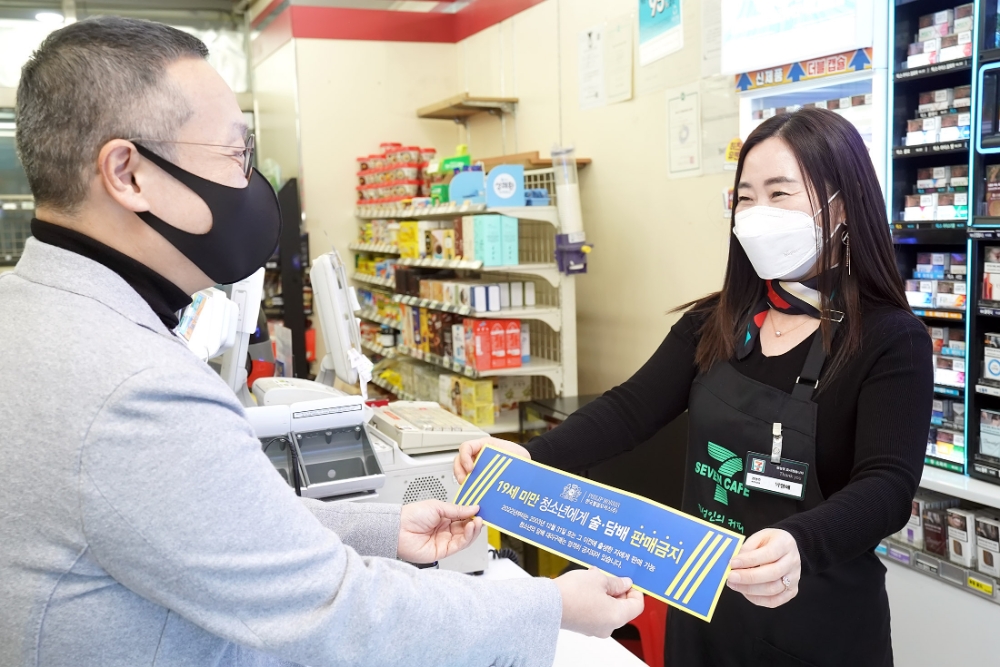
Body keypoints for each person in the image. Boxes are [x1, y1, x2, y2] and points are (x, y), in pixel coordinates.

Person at [0, 17, 643, 667]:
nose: (251, 185)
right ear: (128, 173)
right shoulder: (134, 388)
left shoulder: (40, 316)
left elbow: (216, 533)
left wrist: (381, 530)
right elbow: (337, 613)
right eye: (235, 155)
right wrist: (552, 606)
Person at [457, 108, 933, 666]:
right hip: (703, 611)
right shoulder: (717, 322)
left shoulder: (890, 340)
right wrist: (528, 456)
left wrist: (801, 543)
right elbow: (628, 410)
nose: (757, 215)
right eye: (746, 197)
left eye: (780, 194)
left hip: (817, 618)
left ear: (844, 205)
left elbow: (887, 485)